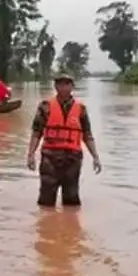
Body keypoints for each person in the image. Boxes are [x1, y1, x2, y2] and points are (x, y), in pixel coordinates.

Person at [26, 73, 102, 207]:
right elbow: (36, 132)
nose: (64, 87)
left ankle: (70, 226)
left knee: (71, 200)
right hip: (50, 158)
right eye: (60, 84)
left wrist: (95, 157)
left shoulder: (81, 109)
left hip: (72, 159)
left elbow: (87, 135)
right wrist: (31, 155)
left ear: (72, 86)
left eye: (67, 84)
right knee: (46, 201)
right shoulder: (45, 106)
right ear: (55, 86)